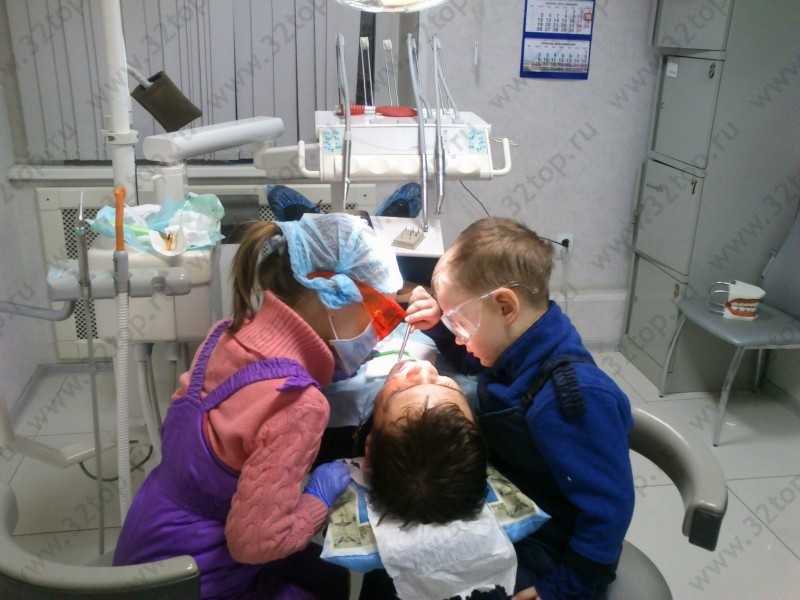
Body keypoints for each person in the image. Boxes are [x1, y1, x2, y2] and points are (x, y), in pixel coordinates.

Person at [114, 213, 406, 600]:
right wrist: (318, 496)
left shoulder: (227, 335)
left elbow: (249, 407)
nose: (378, 330)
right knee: (325, 583)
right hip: (194, 579)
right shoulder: (300, 404)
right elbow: (256, 544)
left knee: (320, 575)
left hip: (147, 541)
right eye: (379, 313)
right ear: (331, 291)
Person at [404, 218, 635, 600]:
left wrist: (563, 588)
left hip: (556, 549)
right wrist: (441, 328)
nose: (459, 337)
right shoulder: (520, 346)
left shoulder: (569, 398)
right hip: (517, 503)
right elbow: (478, 361)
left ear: (504, 306)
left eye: (459, 322)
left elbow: (608, 512)